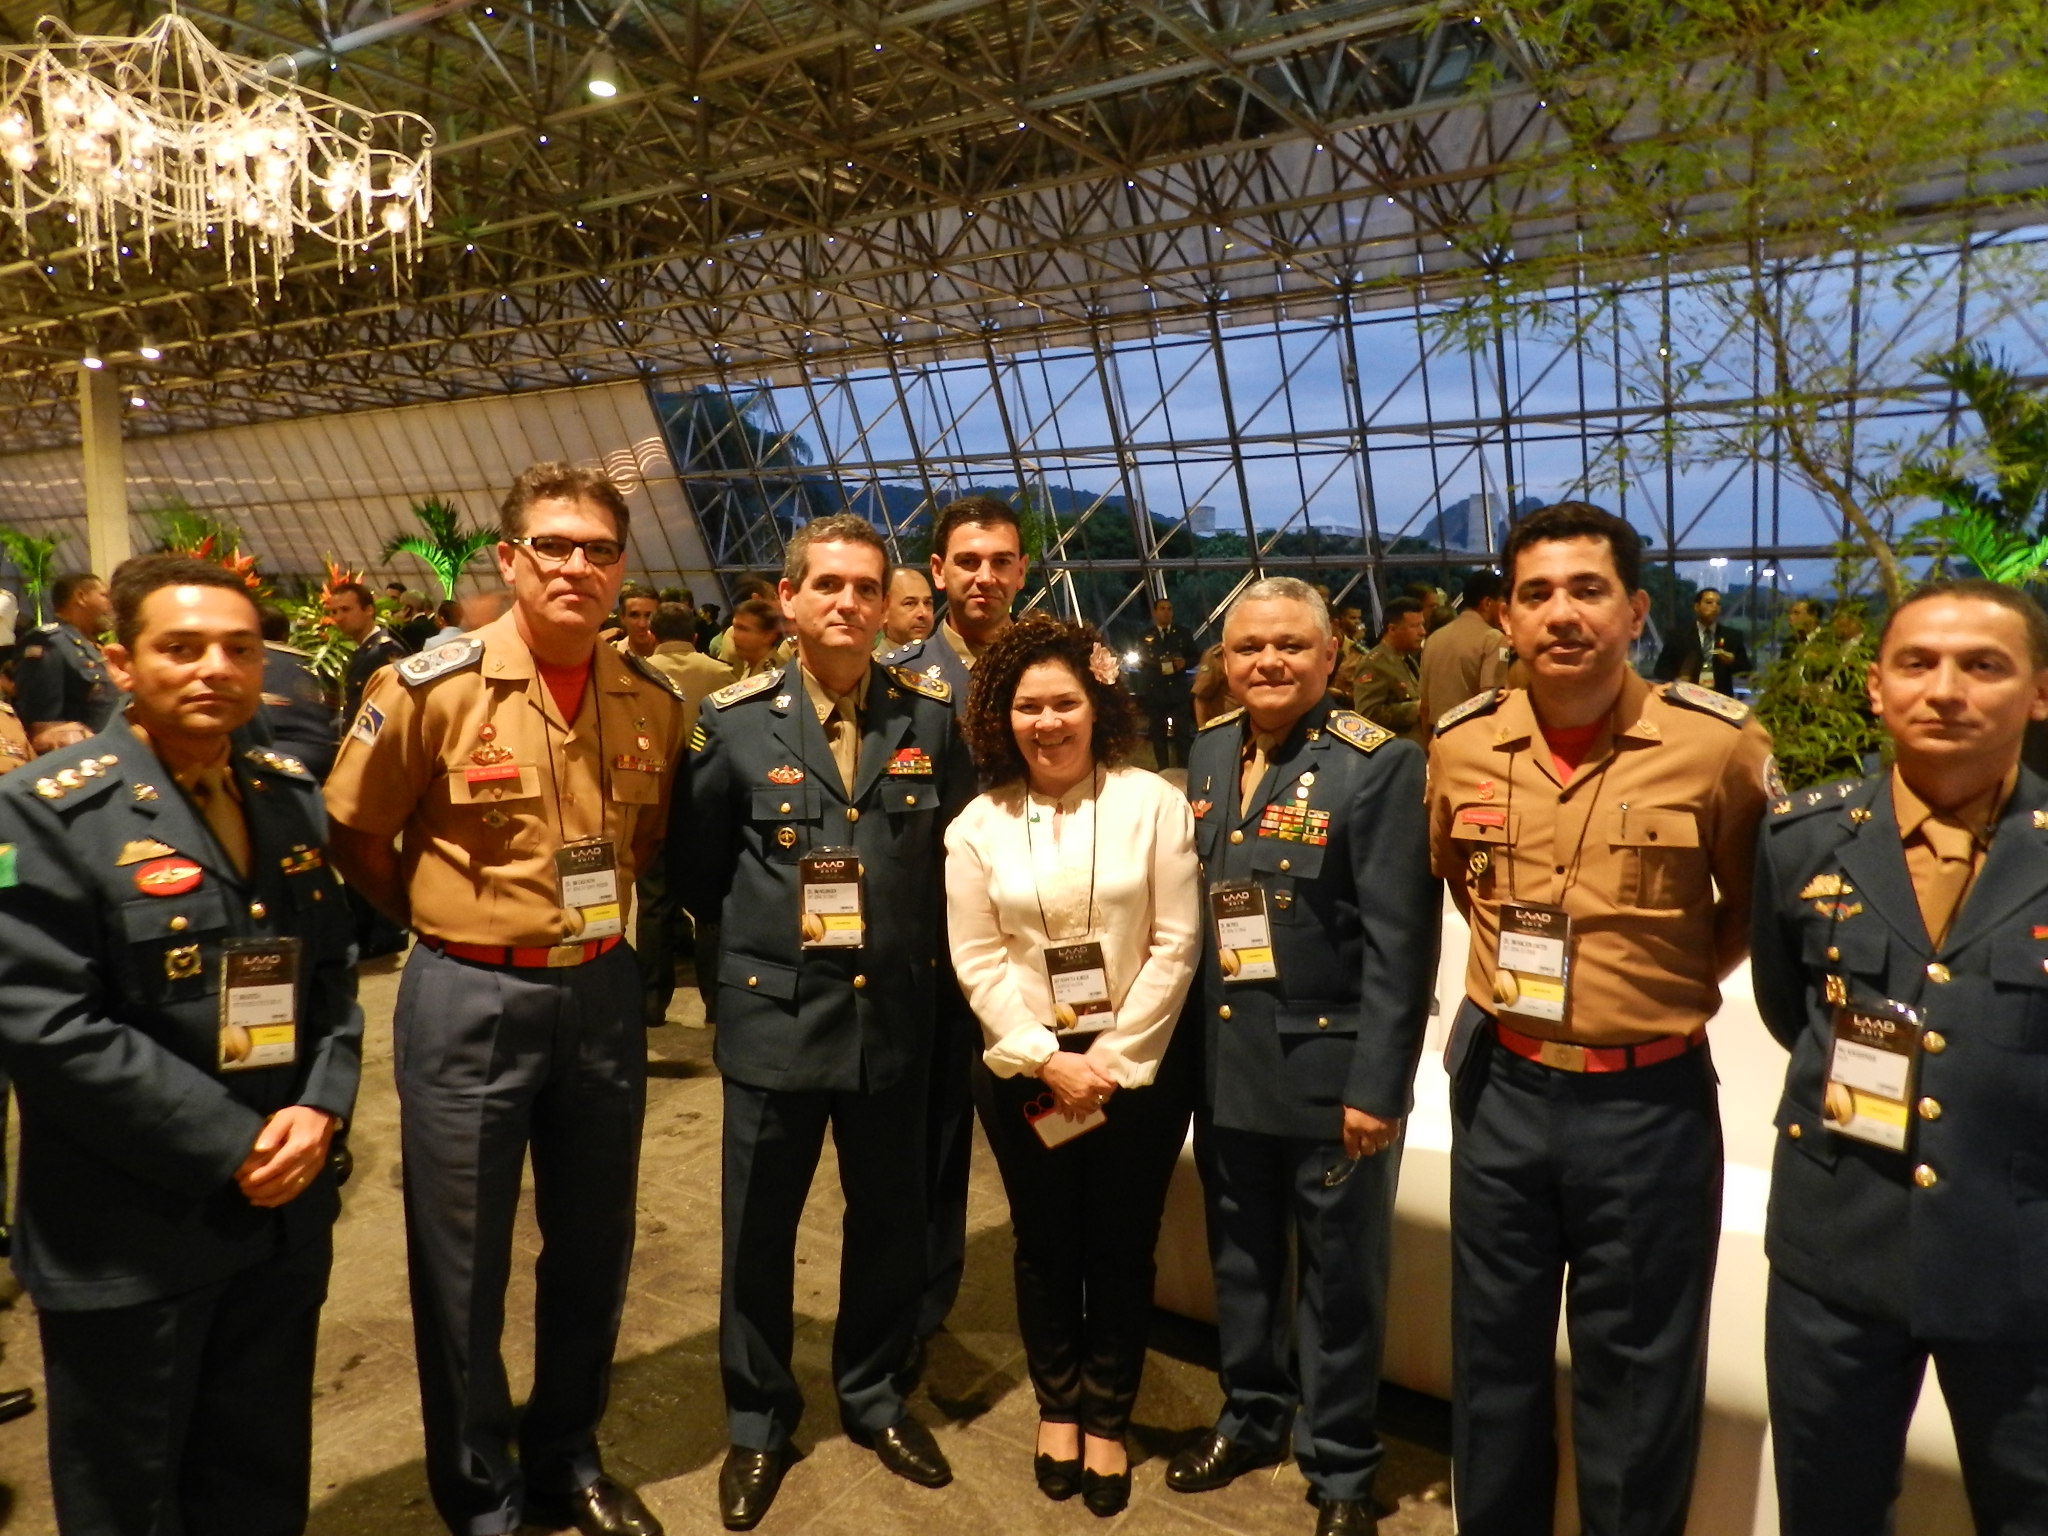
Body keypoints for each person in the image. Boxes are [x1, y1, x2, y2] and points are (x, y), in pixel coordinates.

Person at [325, 463, 688, 1536]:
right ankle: (480, 1495)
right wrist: (449, 922)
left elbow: (645, 846)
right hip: (467, 993)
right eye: (555, 546)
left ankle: (566, 1458)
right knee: (461, 1260)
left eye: (599, 549)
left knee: (592, 1243)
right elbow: (354, 831)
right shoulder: (428, 688)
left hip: (600, 994)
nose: (577, 565)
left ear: (622, 567)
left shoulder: (651, 699)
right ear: (510, 558)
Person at [1426, 502, 1774, 1536]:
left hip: (1646, 1104)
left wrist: (1642, 1000)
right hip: (1501, 1088)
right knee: (1490, 1360)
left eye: (1586, 591)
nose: (1560, 614)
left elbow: (1746, 911)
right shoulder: (1458, 745)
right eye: (1535, 594)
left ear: (1632, 610)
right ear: (1506, 616)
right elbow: (1462, 889)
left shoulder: (1712, 746)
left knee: (1635, 1380)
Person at [0, 554, 361, 1533]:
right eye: (182, 647)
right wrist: (234, 1142)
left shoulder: (285, 794)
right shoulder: (46, 809)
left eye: (238, 649)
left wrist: (322, 1104)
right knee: (131, 1499)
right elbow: (46, 1025)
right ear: (122, 663)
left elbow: (331, 979)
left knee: (257, 1480)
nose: (214, 668)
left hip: (277, 1224)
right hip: (132, 1235)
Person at [680, 513, 974, 1531]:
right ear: (791, 598)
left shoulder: (929, 717)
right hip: (775, 1020)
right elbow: (698, 868)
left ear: (887, 602)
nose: (846, 603)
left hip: (892, 1019)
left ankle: (872, 1396)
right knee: (756, 1233)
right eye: (828, 586)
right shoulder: (732, 719)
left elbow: (949, 860)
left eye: (864, 586)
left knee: (889, 1224)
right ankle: (759, 1421)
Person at [1751, 579, 2048, 1533]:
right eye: (1917, 663)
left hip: (2021, 1259)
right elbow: (1784, 1003)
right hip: (1837, 1246)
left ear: (2039, 692)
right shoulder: (1803, 839)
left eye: (1984, 666)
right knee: (1826, 1509)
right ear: (1877, 687)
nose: (1946, 689)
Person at [1169, 579, 1437, 1536]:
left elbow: (1404, 946)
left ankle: (1341, 1467)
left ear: (1331, 659)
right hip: (1226, 1061)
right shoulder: (1206, 750)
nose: (1268, 663)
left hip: (1331, 1077)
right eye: (1249, 649)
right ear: (1227, 661)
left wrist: (1380, 1087)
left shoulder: (1378, 765)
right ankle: (1249, 1418)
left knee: (1340, 1280)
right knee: (1239, 1260)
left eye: (1290, 647)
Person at [945, 615, 1199, 1517]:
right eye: (1027, 707)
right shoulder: (978, 823)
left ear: (1097, 708)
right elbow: (976, 961)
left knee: (1122, 1245)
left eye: (1064, 703)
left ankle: (1108, 1417)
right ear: (1000, 719)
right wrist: (1050, 1060)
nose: (1047, 722)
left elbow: (1176, 942)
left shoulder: (1152, 803)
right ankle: (1058, 1406)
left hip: (1136, 1071)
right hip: (1024, 1074)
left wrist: (1113, 1060)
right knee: (1045, 1243)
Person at [879, 494, 1032, 1367]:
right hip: (936, 956)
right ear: (937, 572)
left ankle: (1057, 1302)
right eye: (966, 561)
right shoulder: (899, 680)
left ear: (1021, 571)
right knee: (927, 1147)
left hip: (1040, 953)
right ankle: (921, 1311)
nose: (984, 576)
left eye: (1001, 560)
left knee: (1046, 1138)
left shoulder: (1054, 673)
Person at [635, 602, 735, 1029]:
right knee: (711, 906)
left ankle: (652, 1002)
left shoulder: (637, 674)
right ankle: (717, 1003)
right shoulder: (722, 674)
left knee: (655, 903)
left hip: (653, 796)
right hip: (706, 801)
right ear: (695, 635)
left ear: (653, 634)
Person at [16, 571, 117, 753]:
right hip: (83, 760)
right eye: (104, 596)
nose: (110, 604)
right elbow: (43, 725)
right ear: (81, 597)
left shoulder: (94, 646)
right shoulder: (50, 643)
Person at [250, 603, 342, 780]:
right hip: (323, 760)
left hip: (266, 757)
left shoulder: (250, 660)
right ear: (286, 635)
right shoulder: (319, 664)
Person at [1418, 569, 1507, 731]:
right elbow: (1491, 698)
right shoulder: (1493, 638)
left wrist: (1427, 745)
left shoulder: (1433, 639)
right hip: (1472, 737)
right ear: (1487, 603)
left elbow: (1424, 705)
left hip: (1437, 737)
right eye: (1502, 603)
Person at [325, 580, 410, 728]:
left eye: (346, 610)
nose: (338, 618)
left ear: (369, 610)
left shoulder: (385, 651)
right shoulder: (365, 649)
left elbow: (394, 708)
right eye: (334, 612)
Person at [1350, 596, 1428, 744]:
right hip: (1394, 754)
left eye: (1422, 625)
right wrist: (1416, 708)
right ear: (1392, 629)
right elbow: (1367, 715)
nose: (1422, 632)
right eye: (1415, 626)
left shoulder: (1406, 659)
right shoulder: (1374, 664)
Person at [1136, 598, 1201, 769]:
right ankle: (1163, 769)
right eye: (1162, 608)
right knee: (1158, 734)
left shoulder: (1183, 634)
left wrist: (1184, 663)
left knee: (1182, 735)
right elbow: (1141, 661)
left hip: (1178, 692)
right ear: (1155, 613)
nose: (1167, 612)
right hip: (1156, 692)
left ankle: (1183, 769)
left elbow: (1195, 656)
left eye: (1169, 609)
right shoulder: (1146, 636)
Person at [1655, 586, 1753, 695]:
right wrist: (1678, 678)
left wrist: (1732, 662)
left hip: (1720, 699)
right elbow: (1660, 670)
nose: (1714, 607)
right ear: (1697, 606)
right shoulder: (1678, 635)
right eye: (1709, 602)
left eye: (1718, 604)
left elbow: (1746, 672)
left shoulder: (1732, 636)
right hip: (1687, 696)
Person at [878, 565, 936, 650]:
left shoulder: (947, 659)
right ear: (884, 610)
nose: (923, 613)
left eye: (927, 603)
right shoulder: (867, 662)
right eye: (910, 603)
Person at [725, 598, 784, 680]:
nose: (734, 636)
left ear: (768, 636)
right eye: (735, 628)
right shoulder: (749, 667)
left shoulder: (777, 675)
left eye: (743, 629)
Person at [617, 583, 660, 659]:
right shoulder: (611, 656)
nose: (642, 624)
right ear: (622, 617)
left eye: (649, 616)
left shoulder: (671, 657)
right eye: (634, 615)